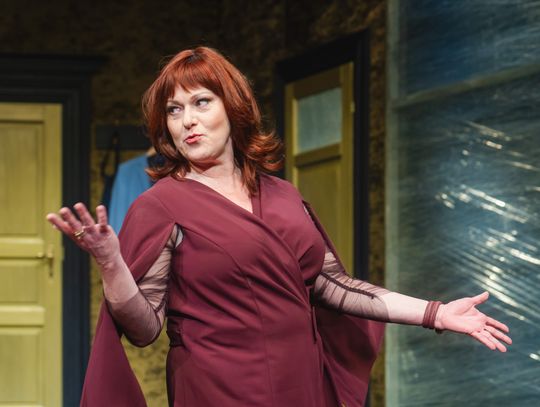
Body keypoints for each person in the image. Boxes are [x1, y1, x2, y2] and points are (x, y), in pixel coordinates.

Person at [47, 47, 512, 407]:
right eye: (174, 110)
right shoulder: (160, 206)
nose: (187, 120)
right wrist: (111, 262)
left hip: (300, 383)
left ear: (232, 107)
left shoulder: (283, 196)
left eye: (201, 102)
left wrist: (435, 314)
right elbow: (144, 328)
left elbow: (334, 286)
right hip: (217, 389)